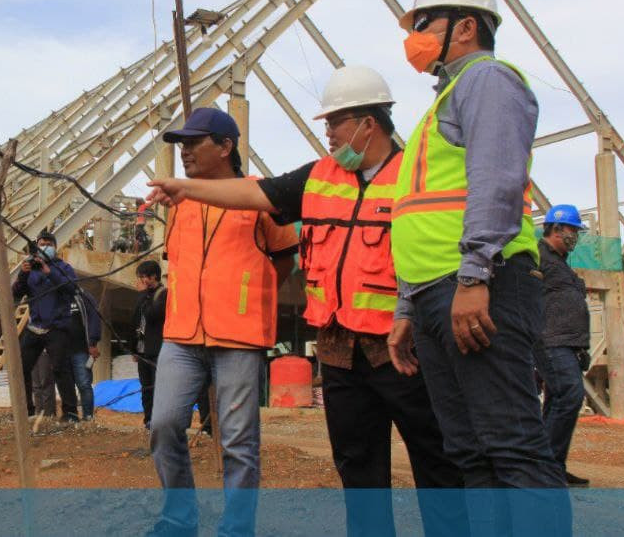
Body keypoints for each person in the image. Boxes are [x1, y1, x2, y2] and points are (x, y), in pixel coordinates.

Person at [149, 67, 463, 536]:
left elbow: (440, 250)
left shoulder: (416, 178)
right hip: (338, 348)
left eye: (335, 123)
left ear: (367, 124)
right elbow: (259, 193)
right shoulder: (318, 178)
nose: (329, 135)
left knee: (434, 457)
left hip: (401, 347)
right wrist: (185, 187)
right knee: (358, 466)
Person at [387, 0, 568, 534]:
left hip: (478, 285)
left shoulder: (486, 81)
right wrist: (407, 307)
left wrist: (474, 275)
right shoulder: (445, 98)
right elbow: (420, 213)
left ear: (465, 27)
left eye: (423, 24)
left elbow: (495, 182)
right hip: (438, 292)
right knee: (470, 452)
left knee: (511, 446)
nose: (413, 36)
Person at [144, 107, 298, 537]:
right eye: (181, 144)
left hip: (239, 336)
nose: (185, 151)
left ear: (226, 146)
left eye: (194, 142)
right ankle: (178, 519)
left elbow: (284, 258)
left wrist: (250, 295)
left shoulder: (259, 196)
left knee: (237, 442)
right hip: (182, 335)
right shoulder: (180, 203)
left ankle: (236, 529)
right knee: (164, 424)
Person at [534, 204, 591, 487]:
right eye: (573, 229)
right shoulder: (537, 256)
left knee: (559, 399)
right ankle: (544, 469)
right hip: (550, 340)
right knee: (569, 395)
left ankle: (551, 466)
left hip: (569, 342)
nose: (576, 235)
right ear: (556, 228)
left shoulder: (561, 262)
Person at [12, 230, 81, 422]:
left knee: (61, 368)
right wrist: (23, 274)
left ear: (55, 247)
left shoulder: (63, 268)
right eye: (41, 244)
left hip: (57, 327)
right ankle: (26, 410)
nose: (45, 247)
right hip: (35, 326)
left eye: (49, 244)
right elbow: (16, 293)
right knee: (21, 368)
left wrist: (49, 272)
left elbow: (72, 288)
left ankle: (70, 412)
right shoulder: (30, 271)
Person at [132, 260, 167, 429]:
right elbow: (135, 319)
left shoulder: (163, 294)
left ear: (153, 276)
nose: (141, 281)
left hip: (157, 349)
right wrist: (134, 349)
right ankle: (148, 419)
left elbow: (153, 315)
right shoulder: (144, 296)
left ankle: (159, 420)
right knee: (145, 387)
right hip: (142, 349)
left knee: (158, 386)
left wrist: (143, 295)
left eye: (144, 277)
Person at [66, 286, 102, 421]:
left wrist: (92, 343)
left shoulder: (83, 296)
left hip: (81, 349)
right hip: (62, 350)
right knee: (67, 386)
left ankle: (88, 417)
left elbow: (94, 319)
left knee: (84, 384)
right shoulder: (57, 297)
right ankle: (71, 417)